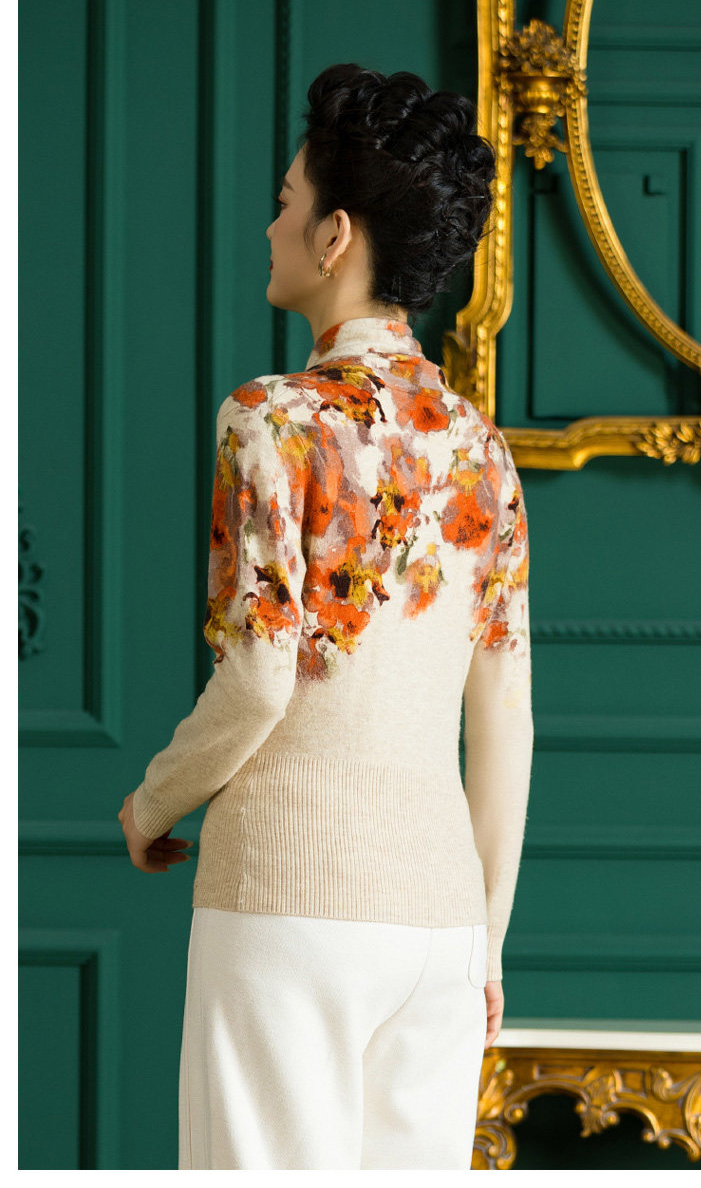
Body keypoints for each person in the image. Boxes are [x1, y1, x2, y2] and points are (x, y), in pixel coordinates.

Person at [117, 63, 534, 1170]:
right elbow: (505, 716)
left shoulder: (270, 419)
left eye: (285, 202)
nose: (270, 227)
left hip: (286, 906)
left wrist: (153, 799)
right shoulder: (482, 450)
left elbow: (261, 676)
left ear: (336, 233)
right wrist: (486, 938)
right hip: (442, 926)